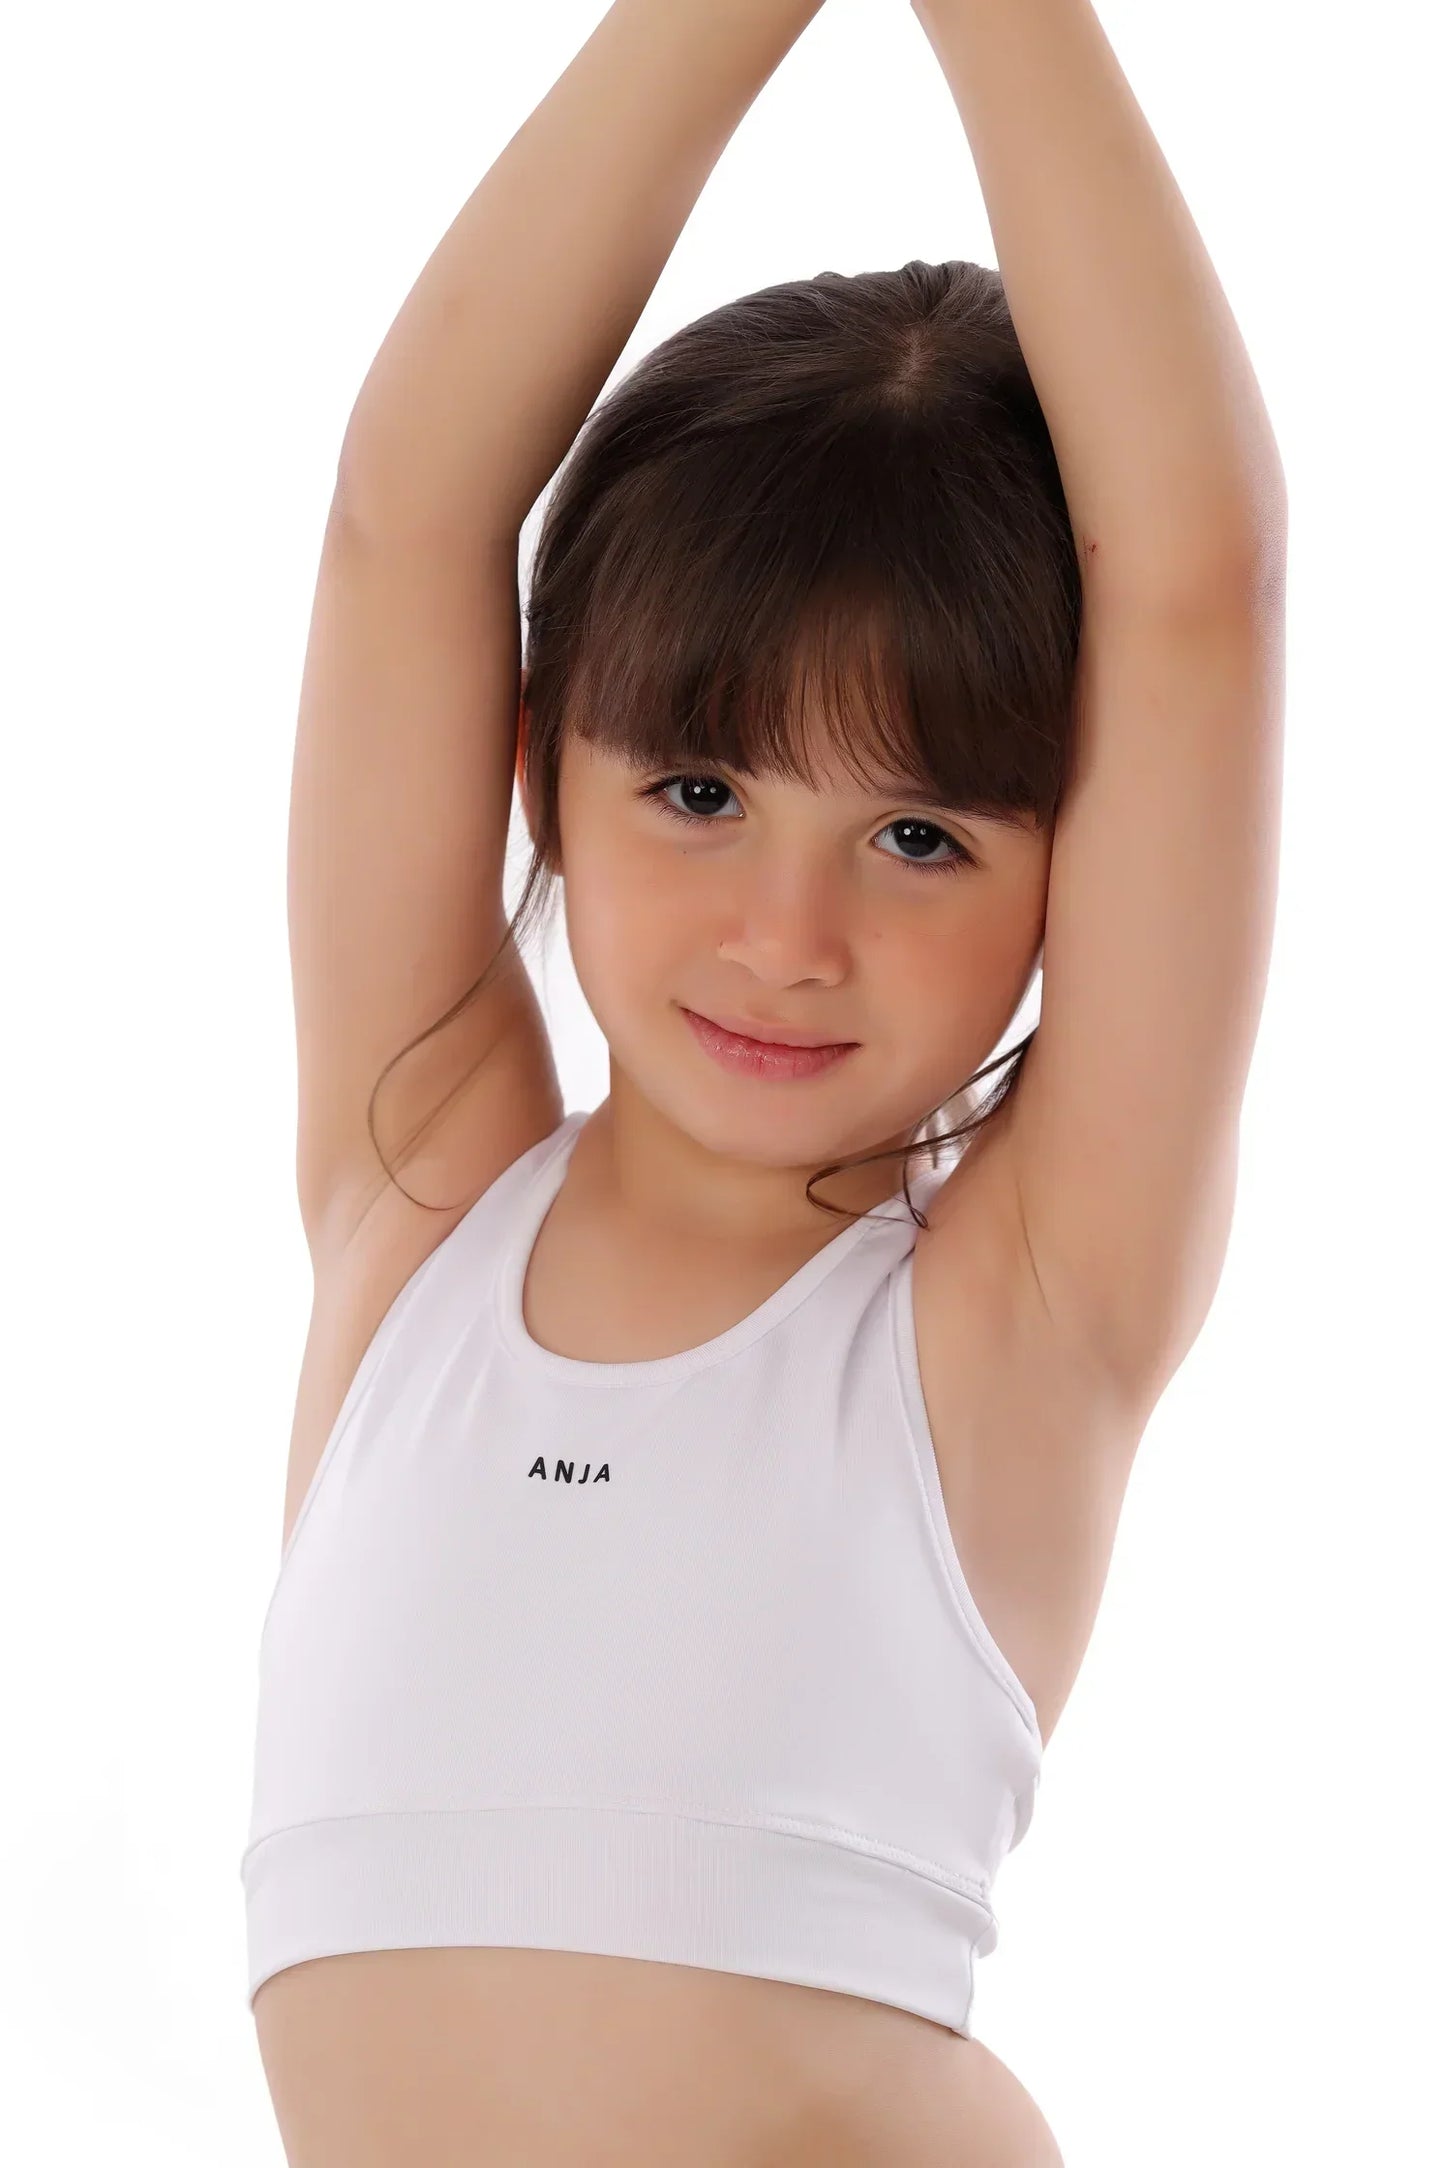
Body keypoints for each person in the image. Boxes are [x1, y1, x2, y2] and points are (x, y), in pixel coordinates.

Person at [239, 0, 1286, 2160]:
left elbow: (1197, 585)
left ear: (1065, 883)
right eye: (699, 786)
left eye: (921, 837)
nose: (789, 937)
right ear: (539, 763)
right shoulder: (414, 1199)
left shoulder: (1017, 1315)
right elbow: (404, 514)